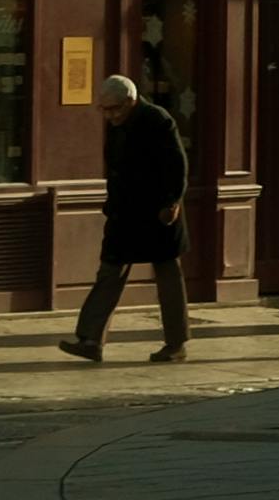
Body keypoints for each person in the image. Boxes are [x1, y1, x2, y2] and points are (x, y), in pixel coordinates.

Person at [65, 67, 194, 362]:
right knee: (109, 272)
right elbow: (115, 167)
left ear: (130, 101)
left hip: (160, 210)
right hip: (126, 211)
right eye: (104, 110)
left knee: (168, 275)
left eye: (112, 109)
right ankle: (90, 339)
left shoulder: (158, 120)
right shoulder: (117, 125)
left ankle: (176, 344)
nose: (108, 116)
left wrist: (172, 201)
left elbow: (177, 165)